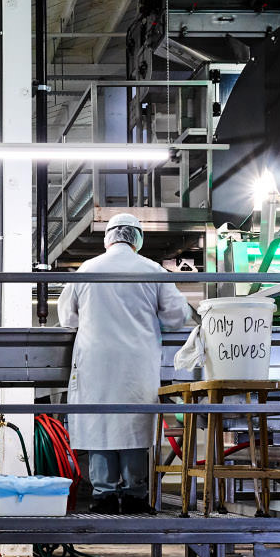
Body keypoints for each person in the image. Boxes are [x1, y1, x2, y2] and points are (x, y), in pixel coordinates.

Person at [58, 213, 193, 514]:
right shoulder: (152, 270)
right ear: (137, 239)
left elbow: (67, 318)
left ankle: (103, 495)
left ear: (107, 238)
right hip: (137, 362)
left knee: (100, 424)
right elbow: (177, 317)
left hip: (95, 361)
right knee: (135, 424)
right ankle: (134, 494)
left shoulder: (87, 269)